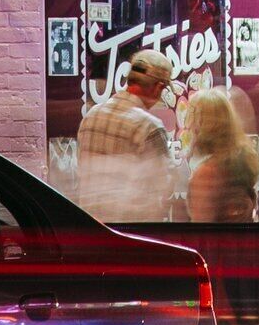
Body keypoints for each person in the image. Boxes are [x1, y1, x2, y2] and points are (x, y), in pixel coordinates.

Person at [71, 52, 183, 224]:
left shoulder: (92, 115)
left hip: (92, 227)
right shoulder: (149, 127)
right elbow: (163, 184)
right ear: (158, 87)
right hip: (130, 231)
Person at [182, 87, 259, 222]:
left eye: (192, 118)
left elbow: (201, 227)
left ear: (201, 125)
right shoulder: (242, 161)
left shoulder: (208, 173)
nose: (189, 126)